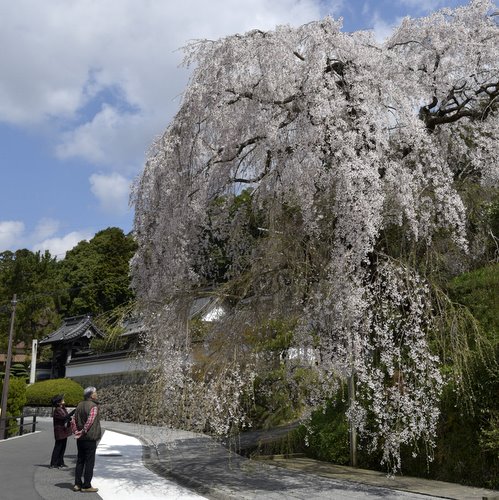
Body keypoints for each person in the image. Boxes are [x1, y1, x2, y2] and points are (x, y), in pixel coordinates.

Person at [71, 386, 102, 493]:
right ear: (91, 395)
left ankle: (77, 484)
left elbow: (73, 420)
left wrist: (76, 432)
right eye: (95, 393)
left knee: (80, 460)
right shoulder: (93, 406)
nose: (96, 394)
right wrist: (83, 431)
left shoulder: (79, 405)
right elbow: (90, 422)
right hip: (89, 437)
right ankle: (86, 485)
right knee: (89, 462)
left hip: (80, 438)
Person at [49, 394, 73, 469]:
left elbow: (66, 418)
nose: (63, 400)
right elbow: (64, 417)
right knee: (58, 447)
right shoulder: (57, 410)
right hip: (59, 431)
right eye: (62, 399)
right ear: (58, 402)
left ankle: (60, 462)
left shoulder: (62, 408)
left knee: (63, 447)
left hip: (64, 431)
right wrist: (73, 412)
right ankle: (53, 463)